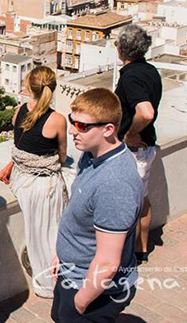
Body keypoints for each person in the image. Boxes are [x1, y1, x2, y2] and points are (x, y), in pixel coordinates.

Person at [51, 89, 141, 322]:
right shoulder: (91, 155)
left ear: (108, 130)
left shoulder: (115, 184)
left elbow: (108, 263)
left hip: (94, 289)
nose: (72, 130)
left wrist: (80, 303)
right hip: (72, 273)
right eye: (72, 122)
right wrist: (62, 255)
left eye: (81, 126)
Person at [0, 66, 68, 298]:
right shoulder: (57, 120)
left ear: (29, 88)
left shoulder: (19, 112)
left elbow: (19, 147)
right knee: (53, 232)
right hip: (41, 185)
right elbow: (63, 156)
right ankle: (54, 280)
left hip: (21, 180)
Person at [114, 24, 162, 263]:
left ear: (121, 49)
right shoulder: (151, 70)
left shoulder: (131, 76)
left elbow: (146, 111)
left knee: (125, 203)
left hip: (133, 151)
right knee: (142, 200)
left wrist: (130, 133)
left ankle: (124, 254)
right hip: (148, 146)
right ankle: (141, 248)